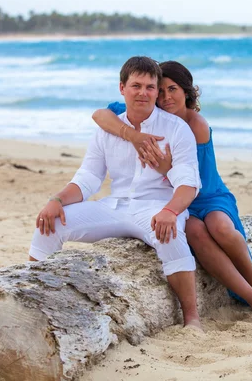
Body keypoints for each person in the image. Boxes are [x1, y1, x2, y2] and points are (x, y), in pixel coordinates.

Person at [92, 61, 252, 321]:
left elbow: (195, 179)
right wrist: (132, 135)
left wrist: (165, 167)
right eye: (159, 90)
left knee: (222, 228)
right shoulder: (151, 115)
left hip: (207, 194)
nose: (165, 97)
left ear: (187, 92)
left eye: (172, 89)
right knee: (194, 231)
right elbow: (100, 115)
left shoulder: (195, 125)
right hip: (175, 198)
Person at [29, 56, 203, 328]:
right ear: (122, 88)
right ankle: (31, 294)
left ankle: (191, 318)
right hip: (115, 205)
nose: (143, 93)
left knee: (171, 236)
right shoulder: (107, 130)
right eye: (136, 86)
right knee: (48, 224)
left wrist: (171, 210)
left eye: (149, 87)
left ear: (156, 91)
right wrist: (57, 200)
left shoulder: (176, 129)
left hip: (156, 206)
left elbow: (188, 182)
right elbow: (88, 178)